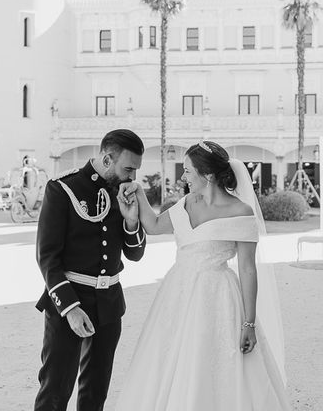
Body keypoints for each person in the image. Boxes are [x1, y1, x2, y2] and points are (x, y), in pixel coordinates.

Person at [115, 140, 291, 410]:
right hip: (177, 292)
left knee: (210, 363)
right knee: (168, 360)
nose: (183, 177)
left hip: (216, 297)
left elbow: (247, 269)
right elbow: (152, 226)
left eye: (187, 171)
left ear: (207, 175)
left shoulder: (240, 212)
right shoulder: (187, 202)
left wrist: (249, 323)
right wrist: (137, 193)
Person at [34, 129, 147, 411]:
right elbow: (47, 257)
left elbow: (135, 254)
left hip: (109, 302)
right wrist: (70, 308)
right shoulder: (62, 188)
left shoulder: (123, 193)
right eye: (128, 168)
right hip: (70, 301)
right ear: (108, 159)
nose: (132, 177)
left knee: (96, 392)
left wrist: (132, 222)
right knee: (56, 390)